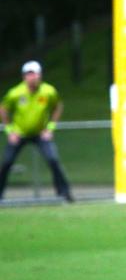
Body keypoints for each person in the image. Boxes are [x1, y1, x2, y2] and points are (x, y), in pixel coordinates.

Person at [0, 61, 72, 202]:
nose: (33, 77)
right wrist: (10, 131)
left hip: (40, 134)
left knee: (53, 160)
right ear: (24, 76)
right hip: (19, 133)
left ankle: (64, 193)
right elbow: (3, 109)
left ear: (40, 75)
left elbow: (58, 106)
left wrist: (50, 127)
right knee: (7, 162)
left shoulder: (48, 91)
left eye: (35, 74)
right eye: (29, 74)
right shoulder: (15, 93)